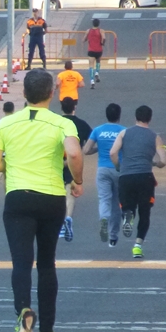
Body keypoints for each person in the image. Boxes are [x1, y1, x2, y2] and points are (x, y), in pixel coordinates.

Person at [0, 69, 83, 332]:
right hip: (51, 198)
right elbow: (75, 154)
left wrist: (13, 164)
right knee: (47, 264)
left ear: (24, 95)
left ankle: (24, 311)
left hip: (18, 198)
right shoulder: (62, 123)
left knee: (21, 261)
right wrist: (77, 181)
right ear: (52, 93)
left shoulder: (4, 124)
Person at [110, 105, 166, 259]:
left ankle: (127, 217)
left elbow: (113, 152)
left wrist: (118, 166)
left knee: (127, 207)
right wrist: (155, 163)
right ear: (150, 118)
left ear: (135, 117)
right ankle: (137, 245)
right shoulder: (155, 136)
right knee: (145, 212)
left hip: (126, 176)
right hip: (145, 177)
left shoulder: (124, 133)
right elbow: (163, 160)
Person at [83, 103, 125, 246]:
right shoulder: (124, 131)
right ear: (119, 115)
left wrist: (98, 148)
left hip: (102, 169)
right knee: (117, 203)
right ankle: (113, 236)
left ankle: (104, 218)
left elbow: (86, 150)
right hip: (119, 169)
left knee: (104, 199)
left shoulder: (98, 130)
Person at [59, 97, 92, 242]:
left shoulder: (56, 123)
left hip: (56, 161)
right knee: (70, 192)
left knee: (55, 192)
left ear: (61, 107)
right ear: (75, 107)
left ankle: (59, 220)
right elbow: (90, 144)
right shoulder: (82, 125)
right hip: (73, 162)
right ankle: (67, 218)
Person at [83, 19, 105, 88]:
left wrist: (85, 40)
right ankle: (97, 72)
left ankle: (92, 81)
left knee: (91, 65)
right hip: (99, 49)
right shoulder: (101, 31)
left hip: (91, 50)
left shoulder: (88, 31)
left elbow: (84, 39)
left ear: (92, 23)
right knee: (98, 61)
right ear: (98, 24)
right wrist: (102, 43)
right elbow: (104, 38)